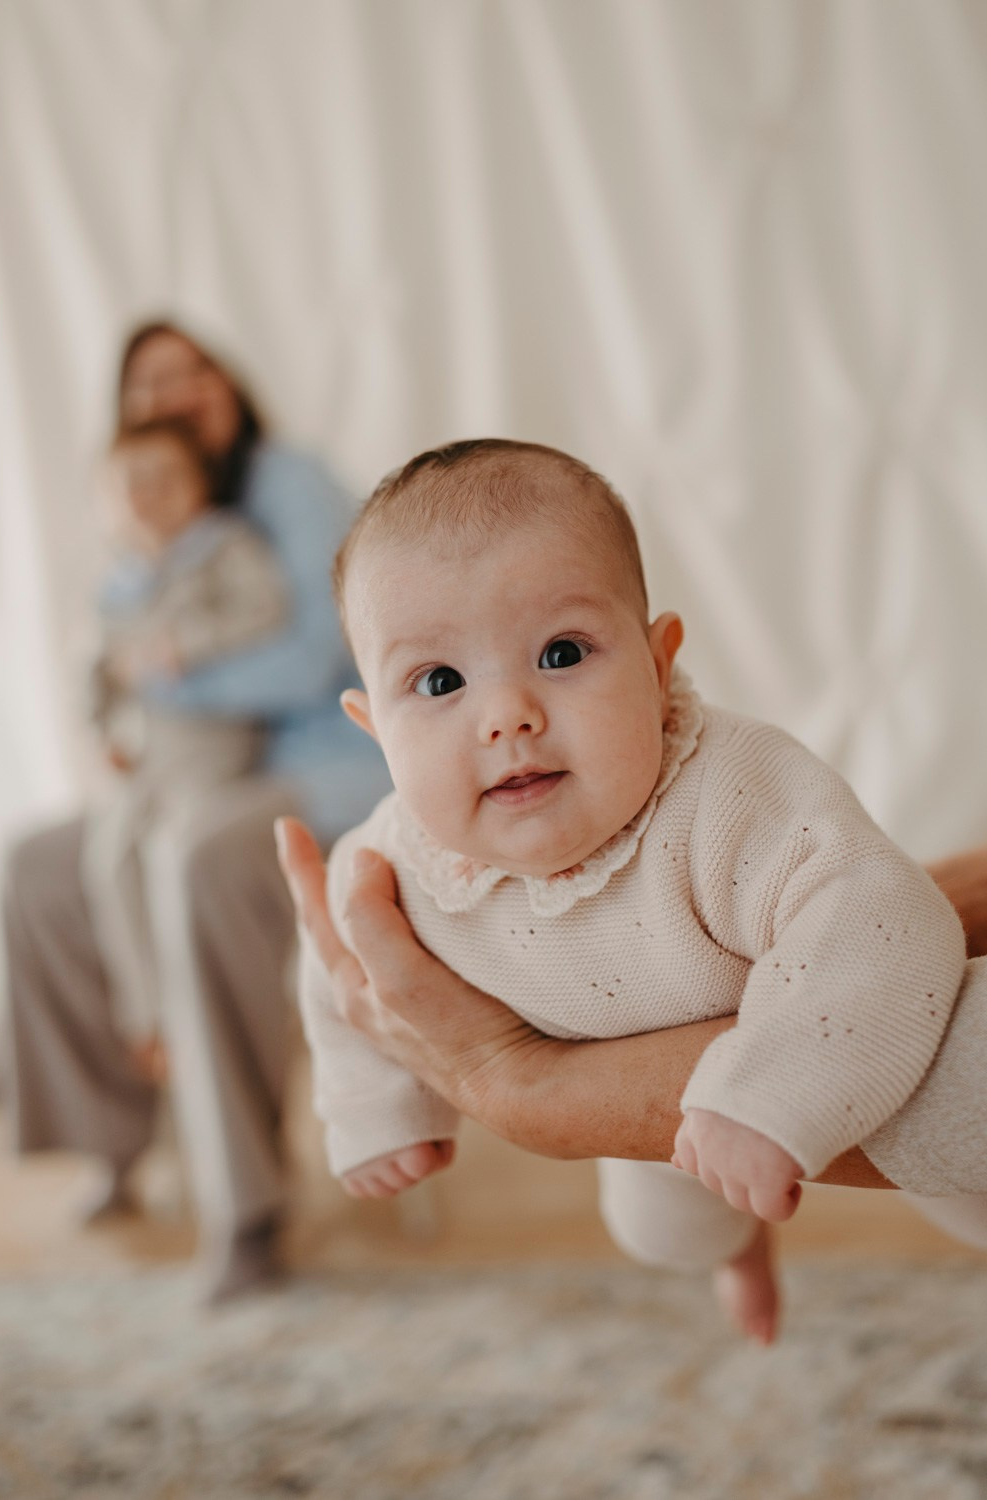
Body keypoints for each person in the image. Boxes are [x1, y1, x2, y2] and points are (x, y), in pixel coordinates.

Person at [285, 437, 987, 1345]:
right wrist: (376, 1106)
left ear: (659, 669)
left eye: (563, 652)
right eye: (441, 682)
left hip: (805, 1029)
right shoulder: (395, 861)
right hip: (634, 1101)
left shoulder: (731, 792)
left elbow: (881, 917)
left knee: (966, 1188)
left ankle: (790, 1171)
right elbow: (341, 972)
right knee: (664, 1234)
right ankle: (737, 1256)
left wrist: (767, 1094)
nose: (507, 716)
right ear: (373, 726)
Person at [2, 319, 389, 1302]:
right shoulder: (149, 523)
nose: (174, 394)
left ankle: (246, 1207)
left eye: (193, 374)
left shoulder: (289, 486)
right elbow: (108, 652)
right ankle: (113, 1142)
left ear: (230, 387)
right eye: (150, 385)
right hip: (198, 776)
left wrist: (163, 687)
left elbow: (312, 657)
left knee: (196, 857)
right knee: (38, 864)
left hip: (319, 763)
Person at [82, 416, 289, 1065]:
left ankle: (196, 1009)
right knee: (111, 854)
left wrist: (185, 644)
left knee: (178, 850)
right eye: (131, 484)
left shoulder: (223, 546)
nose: (150, 494)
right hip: (149, 750)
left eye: (167, 478)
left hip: (217, 742)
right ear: (106, 503)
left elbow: (267, 610)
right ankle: (150, 1016)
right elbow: (95, 671)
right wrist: (101, 730)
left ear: (202, 485)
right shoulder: (117, 585)